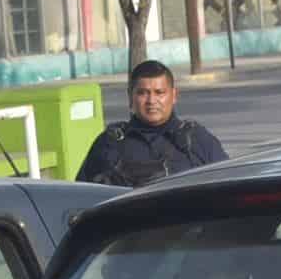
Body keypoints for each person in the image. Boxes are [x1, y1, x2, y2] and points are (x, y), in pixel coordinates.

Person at [75, 60, 228, 188]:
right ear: (130, 96)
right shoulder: (108, 144)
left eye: (159, 92)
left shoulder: (198, 140)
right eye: (143, 93)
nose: (151, 101)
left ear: (174, 95)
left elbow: (228, 188)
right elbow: (81, 197)